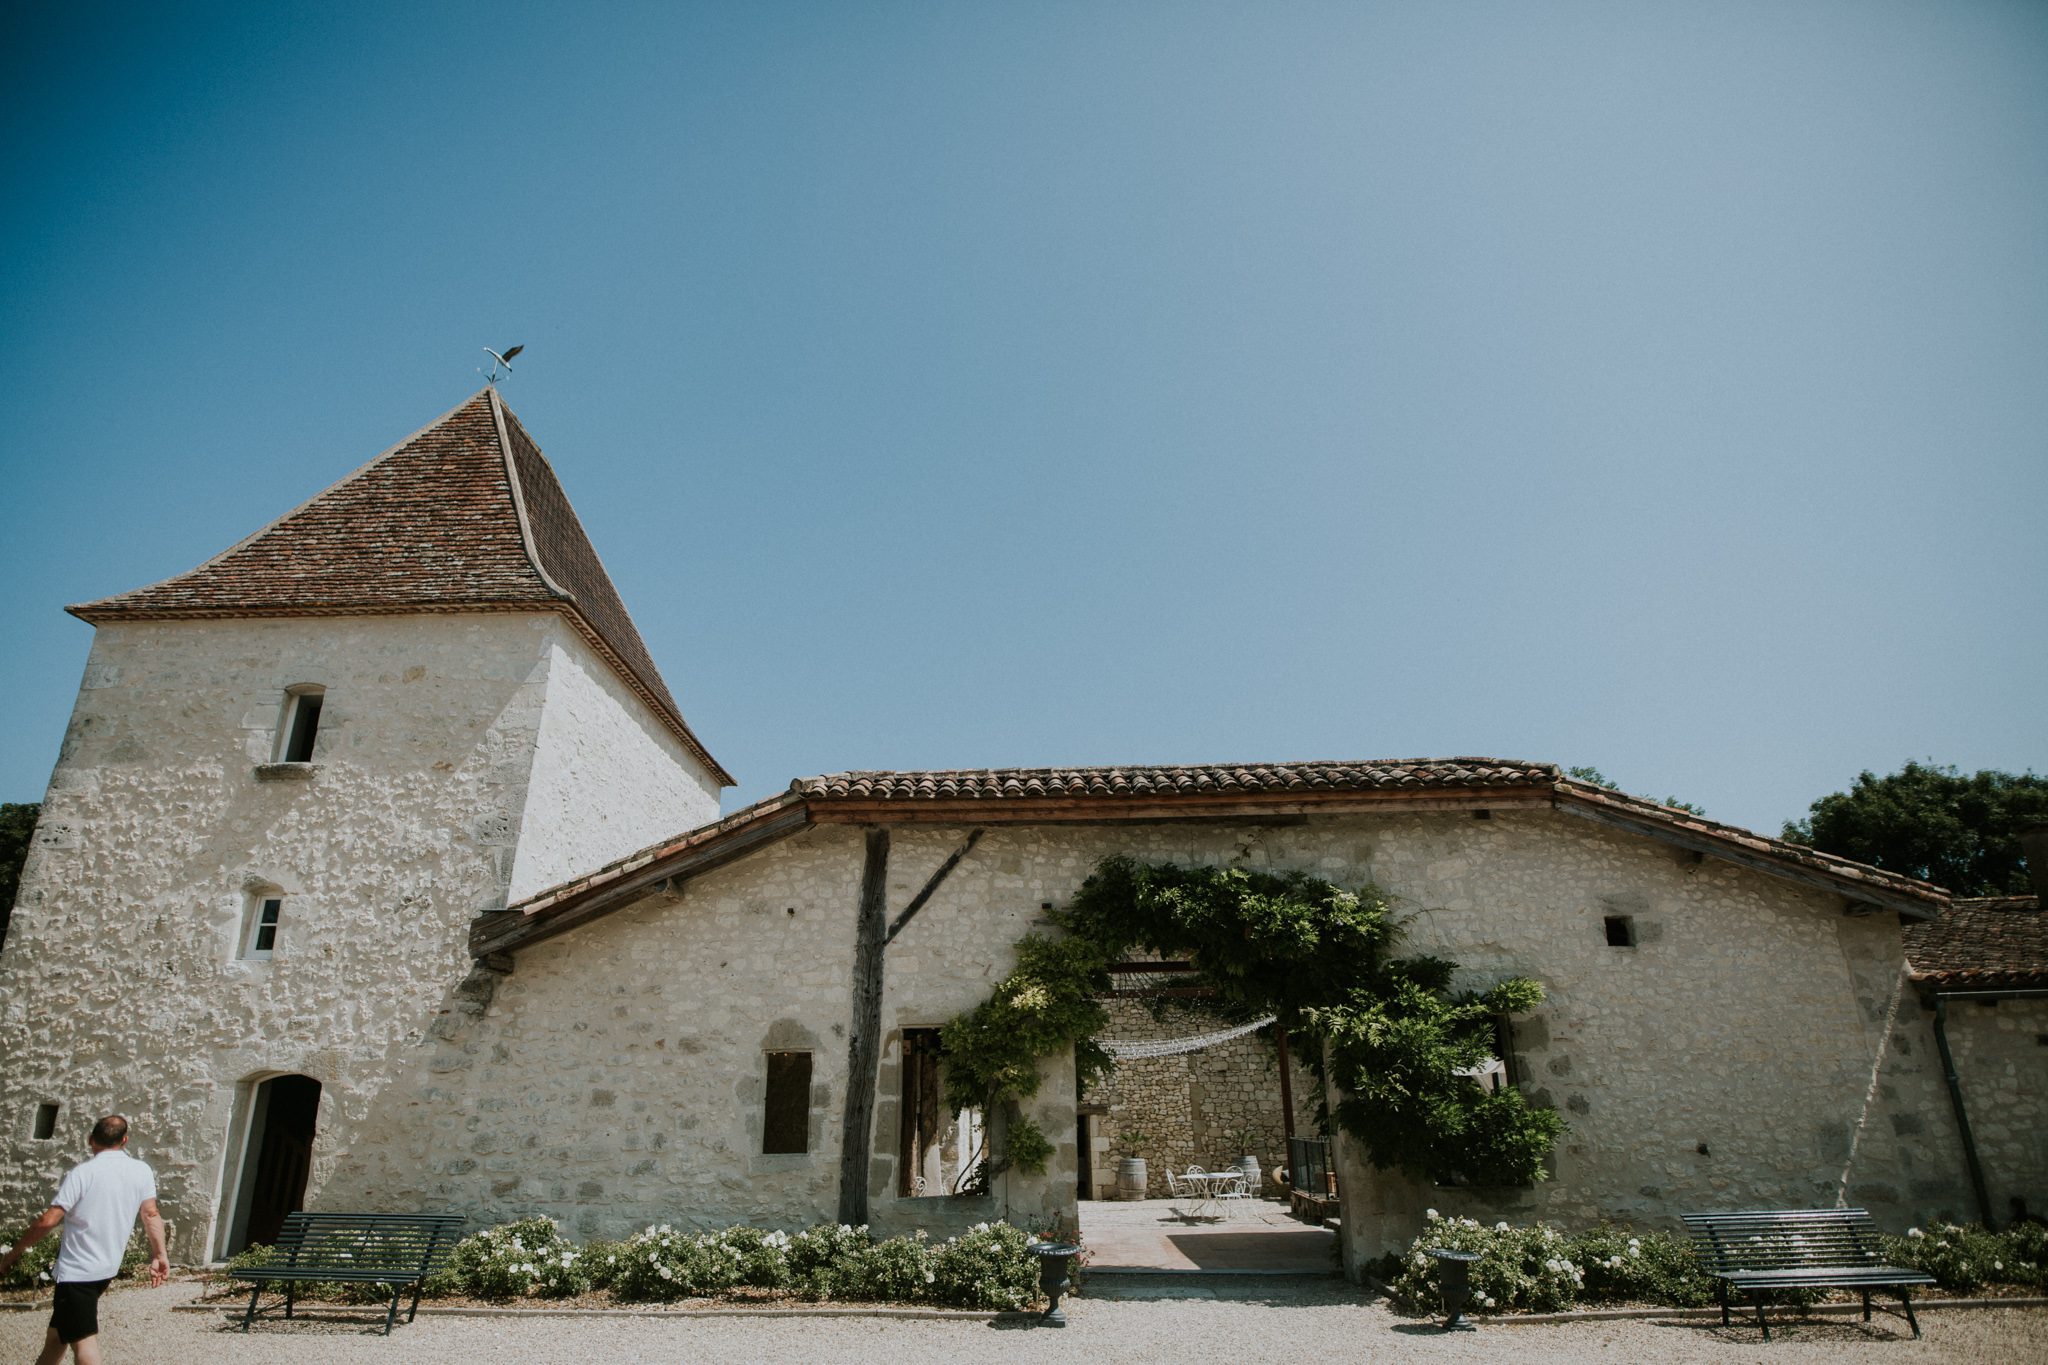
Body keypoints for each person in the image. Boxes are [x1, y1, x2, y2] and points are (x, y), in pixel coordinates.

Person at [0, 1115, 169, 1365]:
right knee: (57, 1338)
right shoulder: (141, 1170)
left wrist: (11, 1256)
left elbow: (48, 1220)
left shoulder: (83, 1172)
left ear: (91, 1140)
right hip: (106, 1268)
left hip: (78, 1272)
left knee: (85, 1344)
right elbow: (151, 1214)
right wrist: (160, 1255)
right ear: (124, 1140)